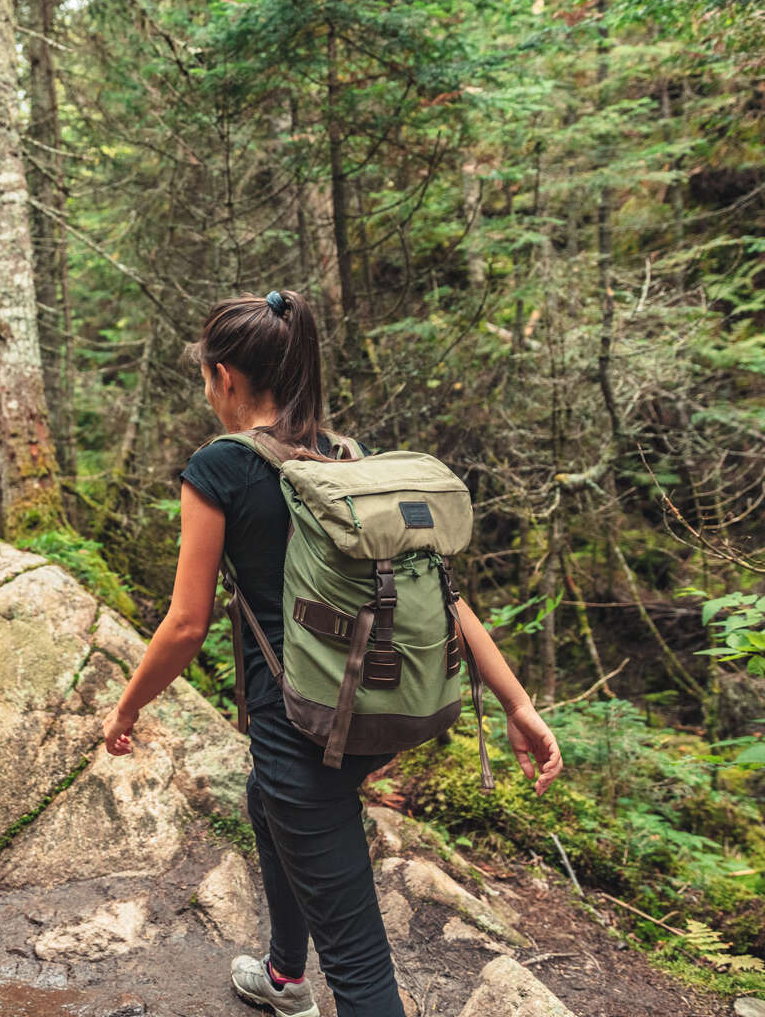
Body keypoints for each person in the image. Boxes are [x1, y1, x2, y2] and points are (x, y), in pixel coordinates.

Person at [101, 292, 562, 1017]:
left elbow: (186, 626)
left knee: (360, 966)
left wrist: (126, 706)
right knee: (264, 801)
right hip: (366, 711)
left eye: (203, 375)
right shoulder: (349, 458)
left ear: (223, 376)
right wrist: (518, 701)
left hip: (301, 729)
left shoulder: (218, 469)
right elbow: (445, 595)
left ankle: (311, 982)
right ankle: (285, 978)